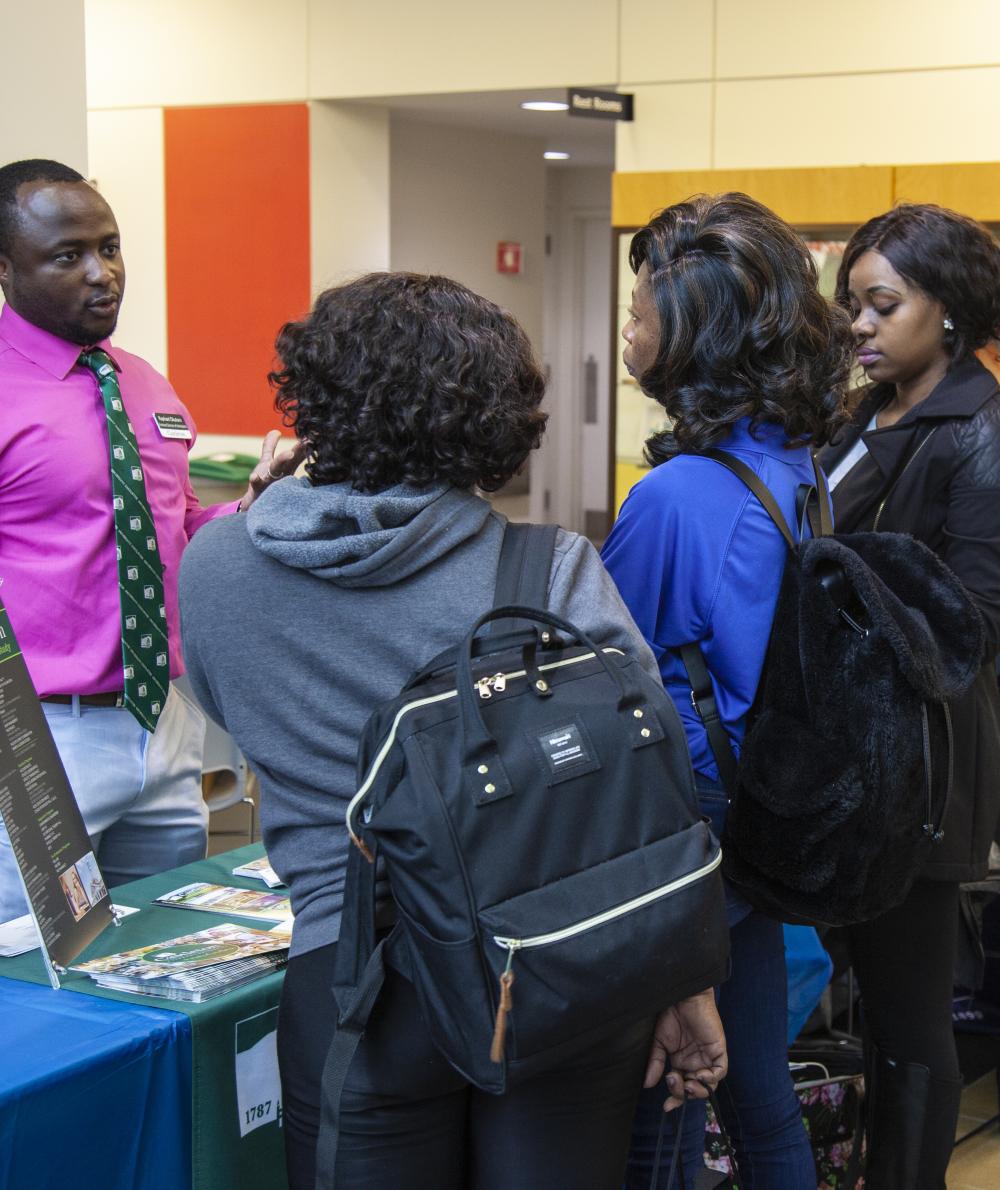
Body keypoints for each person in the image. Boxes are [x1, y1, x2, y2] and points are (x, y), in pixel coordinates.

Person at [178, 271, 728, 1190]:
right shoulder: (547, 572)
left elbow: (228, 715)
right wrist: (681, 981)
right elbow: (645, 794)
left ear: (316, 395)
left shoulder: (216, 566)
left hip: (352, 979)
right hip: (553, 972)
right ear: (494, 415)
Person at [601, 192, 853, 1188]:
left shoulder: (675, 497)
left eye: (639, 307)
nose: (625, 325)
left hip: (683, 832)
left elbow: (614, 685)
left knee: (663, 1098)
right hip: (756, 816)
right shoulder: (794, 468)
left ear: (695, 328)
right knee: (755, 1093)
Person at [0, 158, 301, 922]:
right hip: (38, 732)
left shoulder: (140, 380)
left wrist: (256, 505)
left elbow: (178, 526)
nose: (103, 274)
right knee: (30, 975)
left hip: (162, 720)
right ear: (5, 268)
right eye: (68, 256)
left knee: (157, 952)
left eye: (110, 247)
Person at [818, 202, 1000, 1188]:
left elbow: (975, 622)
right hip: (845, 755)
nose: (860, 326)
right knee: (857, 1002)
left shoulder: (978, 434)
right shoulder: (864, 414)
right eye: (854, 305)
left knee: (908, 1012)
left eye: (881, 304)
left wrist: (833, 592)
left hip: (921, 771)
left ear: (949, 304)